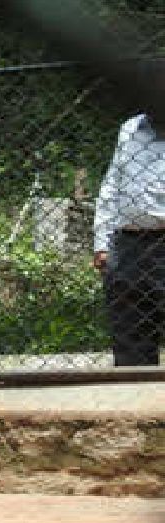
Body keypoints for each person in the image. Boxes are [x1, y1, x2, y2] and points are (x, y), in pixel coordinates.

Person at [92, 61, 165, 367]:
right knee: (130, 333)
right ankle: (134, 404)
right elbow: (112, 185)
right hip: (129, 243)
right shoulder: (132, 128)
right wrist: (102, 241)